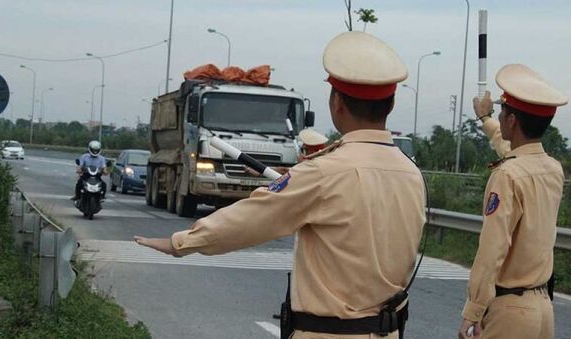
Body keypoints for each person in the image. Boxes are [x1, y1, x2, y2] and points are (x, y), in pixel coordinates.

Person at [134, 31, 426, 339]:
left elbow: (252, 218)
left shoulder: (324, 172)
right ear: (391, 103)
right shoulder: (411, 173)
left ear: (337, 103)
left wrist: (181, 243)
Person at [459, 64, 568, 339]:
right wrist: (484, 118)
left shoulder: (507, 175)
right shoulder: (552, 168)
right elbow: (513, 149)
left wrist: (473, 311)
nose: (500, 114)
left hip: (510, 313)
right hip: (542, 309)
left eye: (502, 111)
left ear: (512, 121)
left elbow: (492, 250)